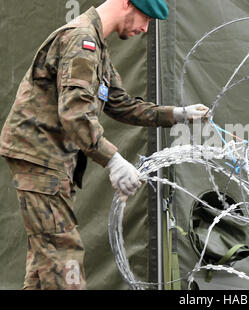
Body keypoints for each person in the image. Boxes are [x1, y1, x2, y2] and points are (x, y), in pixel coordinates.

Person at [0, 0, 209, 290]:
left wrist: (177, 115)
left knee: (44, 264)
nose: (144, 29)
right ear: (126, 3)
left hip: (50, 161)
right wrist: (113, 160)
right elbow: (75, 113)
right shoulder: (82, 39)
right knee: (64, 258)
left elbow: (120, 103)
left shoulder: (97, 45)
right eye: (145, 19)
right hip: (41, 158)